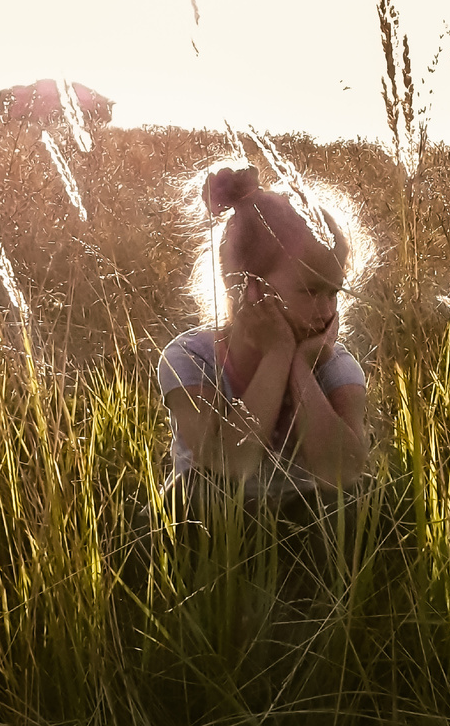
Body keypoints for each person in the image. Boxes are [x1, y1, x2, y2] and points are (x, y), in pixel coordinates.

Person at [157, 162, 368, 507]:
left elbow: (342, 471)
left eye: (334, 293)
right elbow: (226, 465)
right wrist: (277, 355)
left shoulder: (334, 364)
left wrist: (300, 366)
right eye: (310, 291)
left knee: (361, 500)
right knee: (193, 490)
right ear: (245, 286)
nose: (327, 311)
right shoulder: (190, 357)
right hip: (212, 525)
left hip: (301, 522)